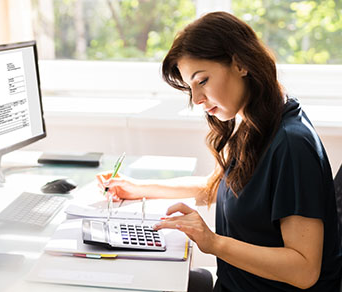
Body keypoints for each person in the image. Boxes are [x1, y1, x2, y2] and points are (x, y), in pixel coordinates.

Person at [97, 11, 342, 292]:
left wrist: (212, 242)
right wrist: (138, 188)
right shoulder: (253, 120)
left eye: (203, 81)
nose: (197, 100)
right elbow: (220, 188)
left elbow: (304, 270)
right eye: (190, 87)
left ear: (240, 64)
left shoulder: (291, 145)